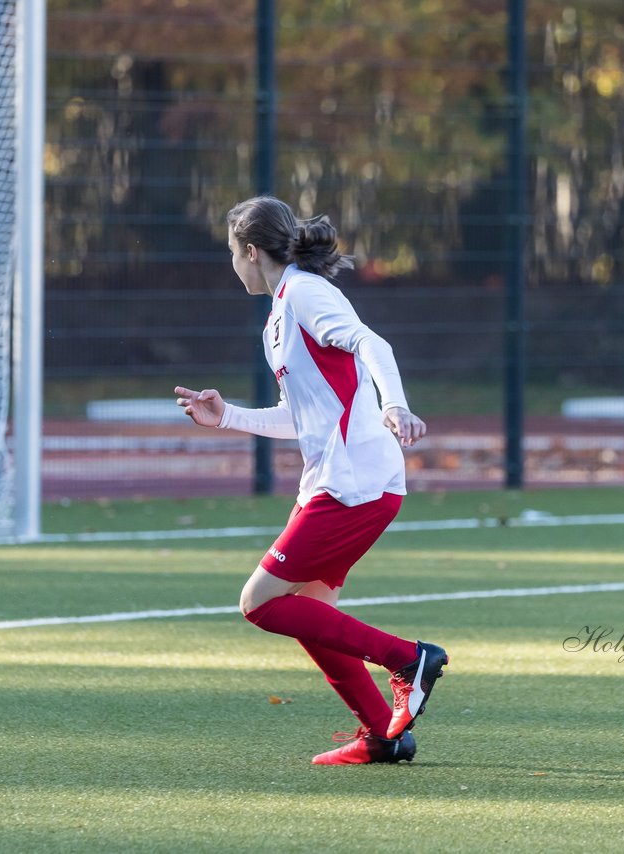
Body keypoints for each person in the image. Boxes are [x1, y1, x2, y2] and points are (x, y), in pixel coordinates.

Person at [174, 196, 448, 766]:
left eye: (232, 253)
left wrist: (394, 404)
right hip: (342, 480)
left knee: (258, 603)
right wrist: (225, 416)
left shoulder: (303, 292)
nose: (232, 265)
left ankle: (408, 660)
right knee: (307, 613)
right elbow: (297, 417)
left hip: (354, 484)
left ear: (251, 252)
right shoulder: (280, 316)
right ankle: (383, 736)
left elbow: (373, 343)